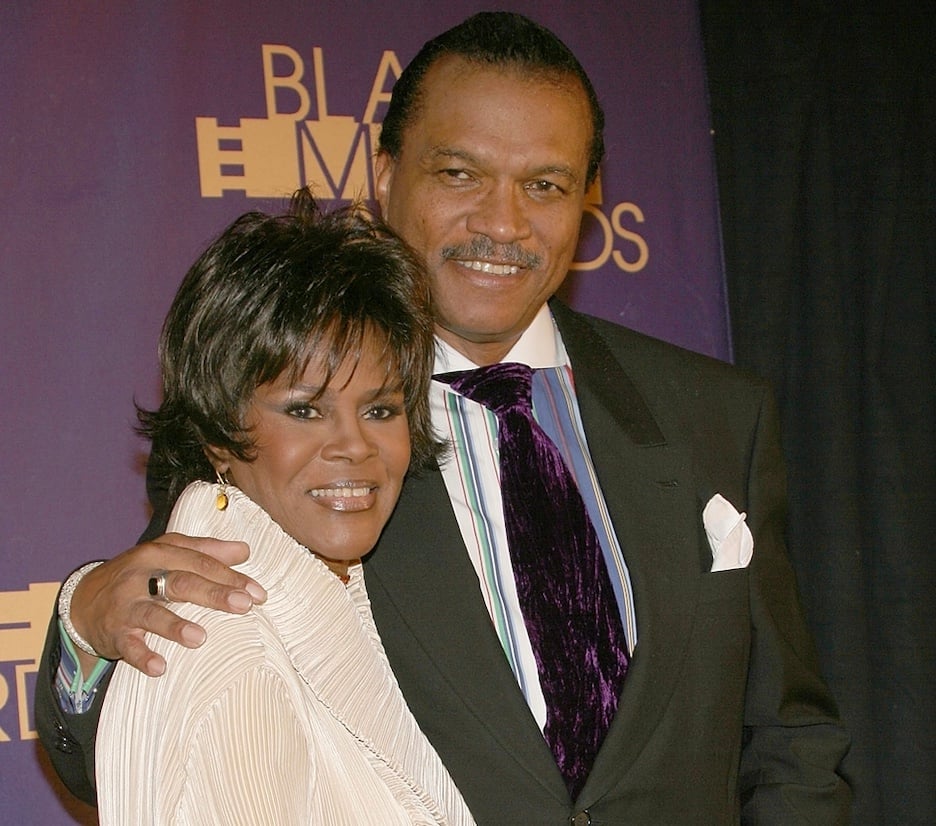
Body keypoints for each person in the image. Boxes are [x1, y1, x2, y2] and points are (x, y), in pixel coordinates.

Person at [37, 12, 852, 824]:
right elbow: (162, 733)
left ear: (586, 202)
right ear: (386, 179)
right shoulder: (291, 439)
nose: (503, 223)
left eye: (545, 184)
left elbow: (789, 738)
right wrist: (84, 625)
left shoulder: (717, 415)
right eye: (461, 174)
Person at [80, 191, 475, 824]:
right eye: (304, 410)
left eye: (380, 409)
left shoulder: (350, 594)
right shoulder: (223, 647)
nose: (355, 446)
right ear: (217, 430)